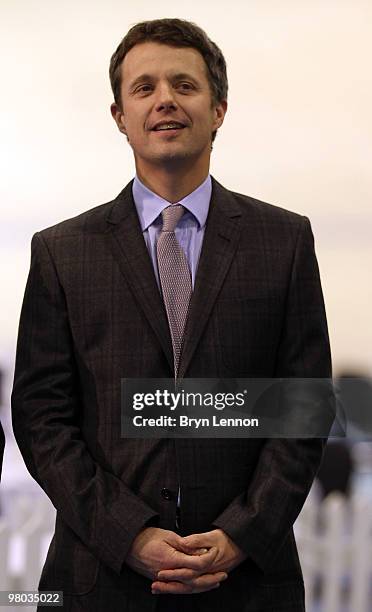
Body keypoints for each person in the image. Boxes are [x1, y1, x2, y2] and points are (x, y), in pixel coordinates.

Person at [11, 18, 332, 612]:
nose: (165, 100)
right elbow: (41, 419)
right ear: (119, 116)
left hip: (249, 583)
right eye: (145, 88)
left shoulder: (283, 240)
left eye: (184, 85)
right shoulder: (61, 251)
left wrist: (241, 534)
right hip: (100, 581)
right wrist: (126, 533)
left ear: (219, 109)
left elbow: (304, 405)